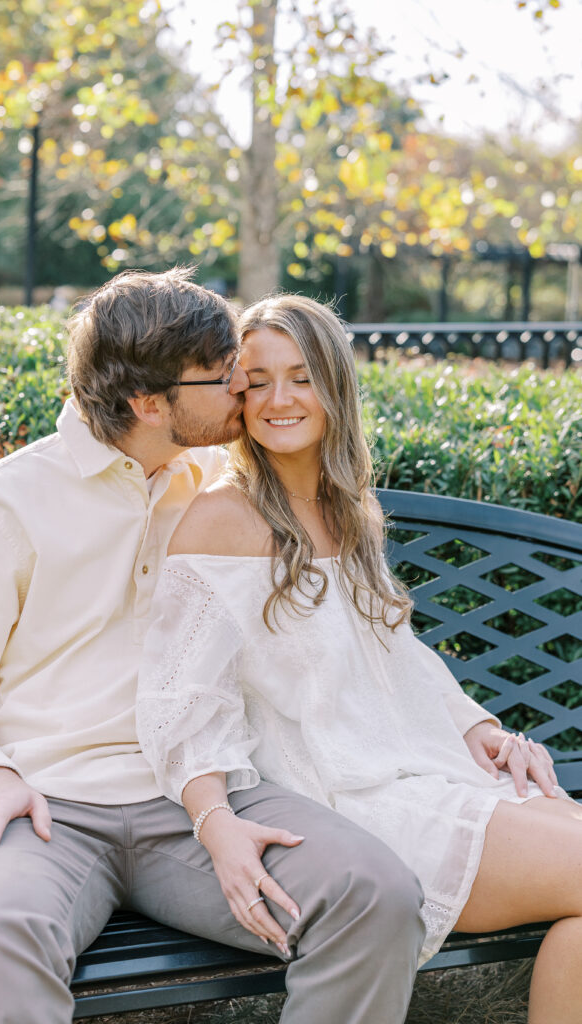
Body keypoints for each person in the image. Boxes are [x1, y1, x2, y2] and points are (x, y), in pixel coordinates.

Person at [0, 269, 426, 1024]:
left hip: (209, 790)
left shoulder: (226, 482)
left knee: (374, 895)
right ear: (149, 404)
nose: (245, 385)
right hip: (46, 806)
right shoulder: (2, 505)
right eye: (225, 376)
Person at [137, 292, 582, 1023]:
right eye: (257, 379)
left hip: (425, 769)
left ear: (335, 387)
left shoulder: (347, 509)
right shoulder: (224, 517)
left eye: (302, 376)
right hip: (346, 803)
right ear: (236, 396)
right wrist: (214, 818)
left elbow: (395, 651)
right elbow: (180, 701)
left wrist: (481, 729)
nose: (280, 398)